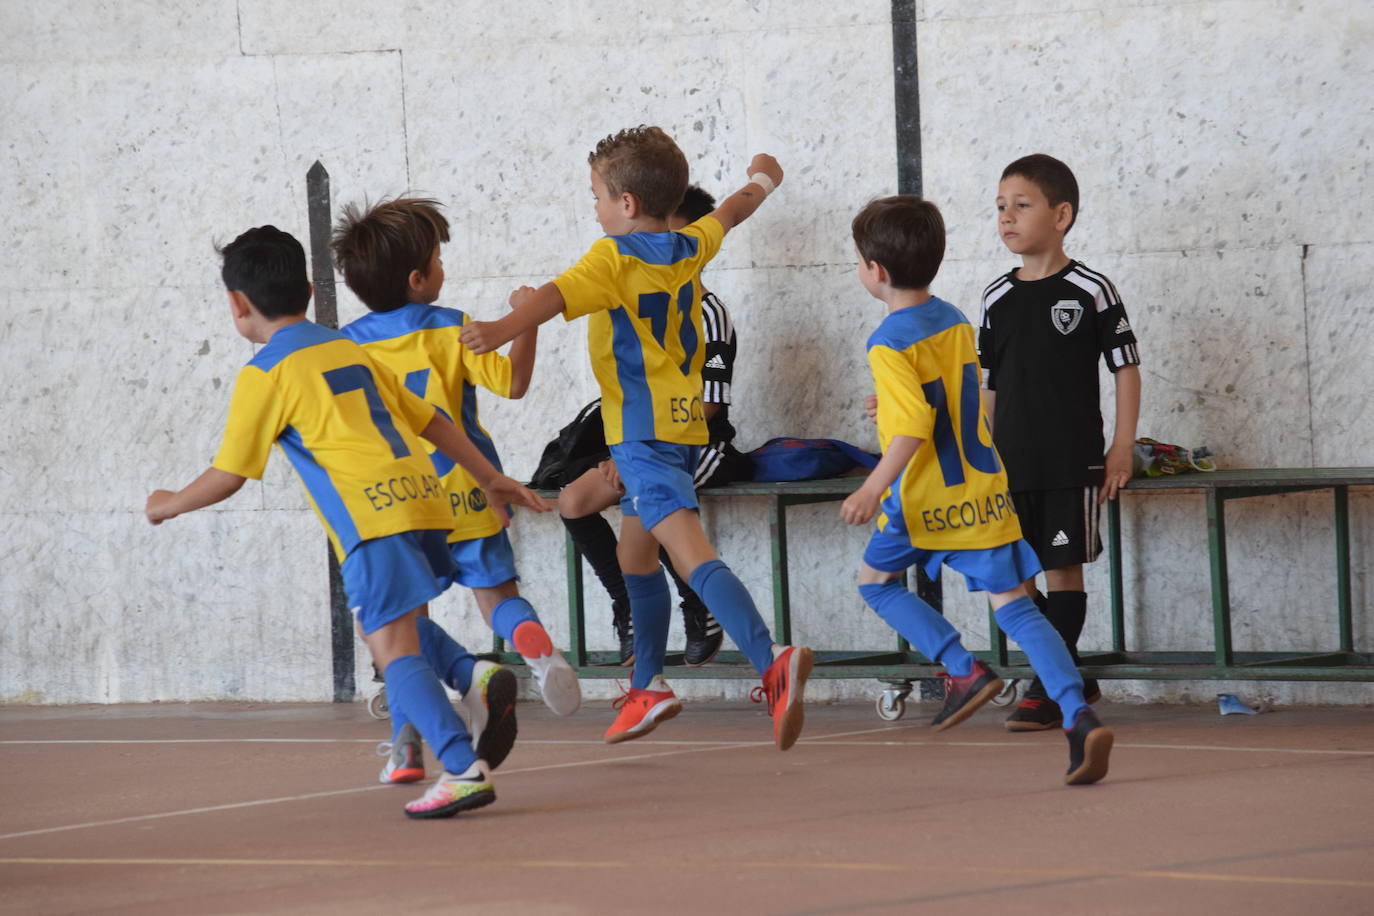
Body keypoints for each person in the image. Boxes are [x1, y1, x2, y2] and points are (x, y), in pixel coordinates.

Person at [145, 226, 549, 817]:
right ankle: (472, 675)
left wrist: (168, 502)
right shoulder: (347, 348)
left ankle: (461, 766)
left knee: (392, 648)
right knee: (390, 627)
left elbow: (230, 473)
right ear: (309, 290)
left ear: (236, 304)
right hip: (426, 504)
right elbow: (433, 421)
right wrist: (489, 477)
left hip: (373, 518)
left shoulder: (266, 373)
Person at [459, 126, 812, 750]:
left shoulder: (612, 258)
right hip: (676, 433)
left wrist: (501, 323)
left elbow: (550, 298)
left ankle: (771, 660)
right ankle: (648, 685)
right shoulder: (687, 244)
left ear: (625, 205)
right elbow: (734, 209)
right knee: (635, 557)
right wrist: (764, 175)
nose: (594, 207)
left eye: (596, 195)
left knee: (691, 554)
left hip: (644, 438)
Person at [842, 195, 1113, 785]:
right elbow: (942, 401)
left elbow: (914, 427)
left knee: (875, 583)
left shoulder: (887, 340)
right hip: (985, 493)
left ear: (876, 271)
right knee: (1018, 607)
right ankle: (1077, 713)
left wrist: (870, 489)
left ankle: (961, 668)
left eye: (859, 261)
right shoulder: (955, 319)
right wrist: (889, 405)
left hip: (925, 500)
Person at [331, 197, 582, 747]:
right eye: (439, 259)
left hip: (400, 501)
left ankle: (406, 741)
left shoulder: (347, 347)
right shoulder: (453, 329)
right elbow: (514, 384)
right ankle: (537, 649)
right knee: (496, 598)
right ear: (419, 279)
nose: (444, 268)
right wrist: (527, 324)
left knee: (405, 628)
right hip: (471, 488)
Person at [978, 154, 1141, 730]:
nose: (1007, 217)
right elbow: (989, 386)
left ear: (1061, 215)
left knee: (1062, 570)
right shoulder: (995, 297)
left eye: (1022, 205)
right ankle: (1068, 669)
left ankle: (1051, 689)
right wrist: (980, 455)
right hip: (1009, 466)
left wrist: (1122, 446)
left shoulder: (1092, 289)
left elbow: (1126, 368)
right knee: (1010, 582)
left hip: (1073, 462)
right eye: (1000, 206)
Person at [557, 184, 750, 667]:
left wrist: (640, 458)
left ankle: (698, 605)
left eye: (671, 231)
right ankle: (627, 603)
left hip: (696, 441)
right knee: (573, 501)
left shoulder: (710, 311)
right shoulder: (626, 284)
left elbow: (707, 406)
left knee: (653, 511)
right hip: (643, 440)